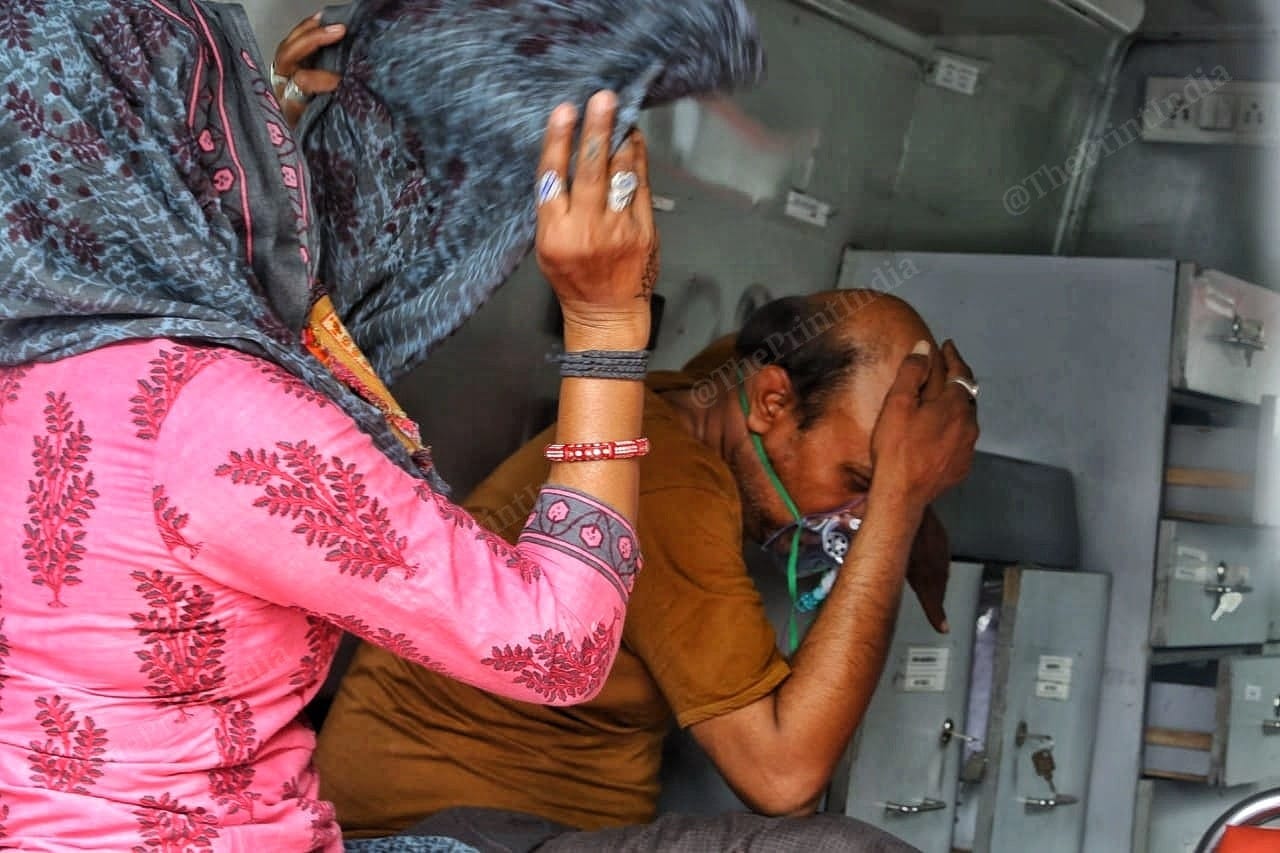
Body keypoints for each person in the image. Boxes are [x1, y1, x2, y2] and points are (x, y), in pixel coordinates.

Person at [0, 2, 660, 850]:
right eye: (227, 114)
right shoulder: (216, 417)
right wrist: (607, 325)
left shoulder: (37, 368)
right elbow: (557, 645)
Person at [315, 290, 980, 852]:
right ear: (772, 403)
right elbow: (783, 776)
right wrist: (898, 506)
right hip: (437, 835)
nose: (853, 518)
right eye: (859, 480)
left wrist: (906, 498)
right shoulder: (667, 487)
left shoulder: (716, 390)